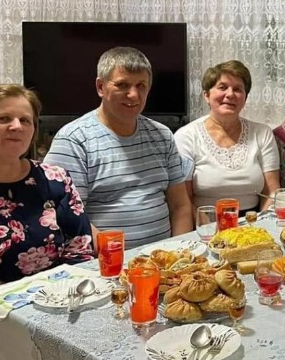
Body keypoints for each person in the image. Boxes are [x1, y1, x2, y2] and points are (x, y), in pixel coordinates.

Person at [0, 84, 94, 360]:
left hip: (55, 323)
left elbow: (80, 250)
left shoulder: (54, 180)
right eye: (3, 119)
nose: (16, 126)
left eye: (25, 120)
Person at [44, 47, 192, 249]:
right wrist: (119, 257)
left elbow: (180, 206)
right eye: (122, 85)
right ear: (100, 87)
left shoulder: (162, 135)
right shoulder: (73, 140)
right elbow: (69, 216)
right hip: (105, 260)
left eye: (141, 85)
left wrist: (179, 250)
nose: (133, 94)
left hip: (164, 258)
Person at [174, 60, 279, 215]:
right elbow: (184, 199)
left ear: (245, 98)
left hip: (253, 221)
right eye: (222, 87)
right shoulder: (186, 137)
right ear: (206, 95)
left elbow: (272, 191)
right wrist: (207, 226)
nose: (230, 94)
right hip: (204, 222)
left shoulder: (262, 133)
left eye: (238, 89)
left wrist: (261, 223)